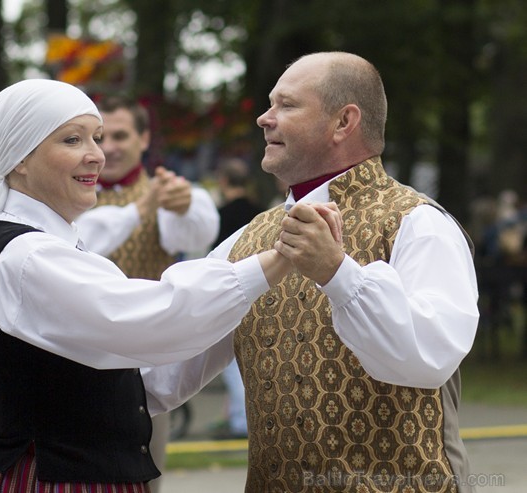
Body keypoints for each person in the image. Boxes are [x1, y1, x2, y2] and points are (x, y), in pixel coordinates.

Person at [0, 79, 341, 492]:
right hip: (56, 480)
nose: (96, 155)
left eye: (95, 137)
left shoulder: (49, 242)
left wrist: (239, 297)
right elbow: (149, 317)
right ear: (20, 157)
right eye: (72, 140)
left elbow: (141, 374)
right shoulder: (27, 255)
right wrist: (272, 262)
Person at [143, 51, 480, 492]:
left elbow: (428, 358)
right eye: (270, 104)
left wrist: (339, 273)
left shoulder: (418, 223)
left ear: (344, 122)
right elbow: (171, 363)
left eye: (287, 105)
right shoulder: (248, 238)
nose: (265, 118)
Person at [75, 94, 220, 490]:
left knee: (143, 481)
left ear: (144, 138)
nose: (109, 148)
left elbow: (197, 229)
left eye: (120, 135)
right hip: (75, 362)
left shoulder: (165, 192)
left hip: (143, 369)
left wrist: (184, 204)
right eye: (100, 137)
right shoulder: (68, 193)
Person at [210, 157, 263, 439]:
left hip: (229, 286)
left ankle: (240, 421)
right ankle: (238, 416)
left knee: (231, 363)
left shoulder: (221, 214)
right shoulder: (260, 214)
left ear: (223, 181)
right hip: (259, 287)